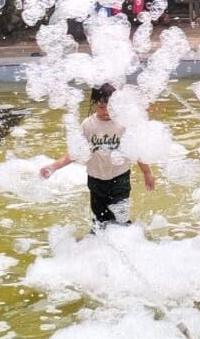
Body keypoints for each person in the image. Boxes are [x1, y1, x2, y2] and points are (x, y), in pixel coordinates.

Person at [39, 84, 156, 230]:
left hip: (120, 178)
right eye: (101, 108)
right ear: (94, 104)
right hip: (95, 180)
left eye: (110, 108)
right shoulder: (88, 125)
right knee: (100, 220)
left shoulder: (122, 124)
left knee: (120, 216)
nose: (106, 112)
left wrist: (147, 172)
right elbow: (74, 153)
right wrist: (53, 167)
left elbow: (135, 151)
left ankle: (128, 241)